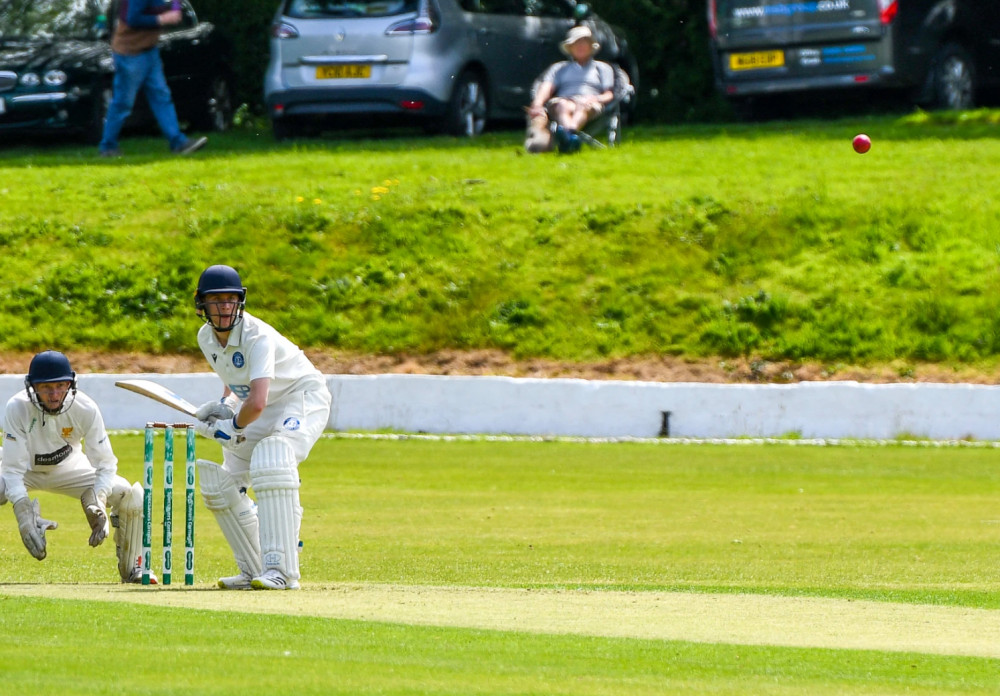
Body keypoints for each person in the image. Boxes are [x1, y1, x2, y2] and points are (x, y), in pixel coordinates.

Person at [191, 264, 332, 590]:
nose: (224, 308)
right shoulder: (205, 337)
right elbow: (234, 381)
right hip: (262, 407)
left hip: (300, 398)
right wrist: (225, 406)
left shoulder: (258, 337)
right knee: (221, 483)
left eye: (230, 300)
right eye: (216, 301)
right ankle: (252, 568)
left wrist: (232, 425)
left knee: (274, 456)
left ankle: (282, 572)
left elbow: (255, 402)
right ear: (201, 304)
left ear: (240, 302)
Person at [0, 351, 151, 583]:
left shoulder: (85, 408)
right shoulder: (16, 408)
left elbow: (106, 463)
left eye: (61, 386)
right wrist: (23, 515)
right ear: (33, 387)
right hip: (25, 470)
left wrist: (98, 500)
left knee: (128, 494)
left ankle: (133, 568)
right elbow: (12, 470)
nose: (54, 394)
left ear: (71, 384)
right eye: (46, 387)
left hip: (69, 468)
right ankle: (33, 517)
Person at [98, 0, 208, 158]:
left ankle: (178, 142)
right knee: (123, 103)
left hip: (149, 50)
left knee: (161, 96)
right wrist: (163, 19)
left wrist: (176, 7)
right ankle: (107, 147)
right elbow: (132, 19)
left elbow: (172, 7)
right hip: (130, 52)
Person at [526, 26, 616, 154]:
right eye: (576, 43)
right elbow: (546, 87)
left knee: (582, 105)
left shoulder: (602, 68)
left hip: (589, 103)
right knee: (562, 105)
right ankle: (570, 139)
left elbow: (609, 94)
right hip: (563, 101)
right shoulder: (559, 68)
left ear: (591, 46)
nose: (580, 46)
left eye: (584, 42)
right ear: (570, 48)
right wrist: (537, 104)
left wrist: (595, 98)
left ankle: (566, 136)